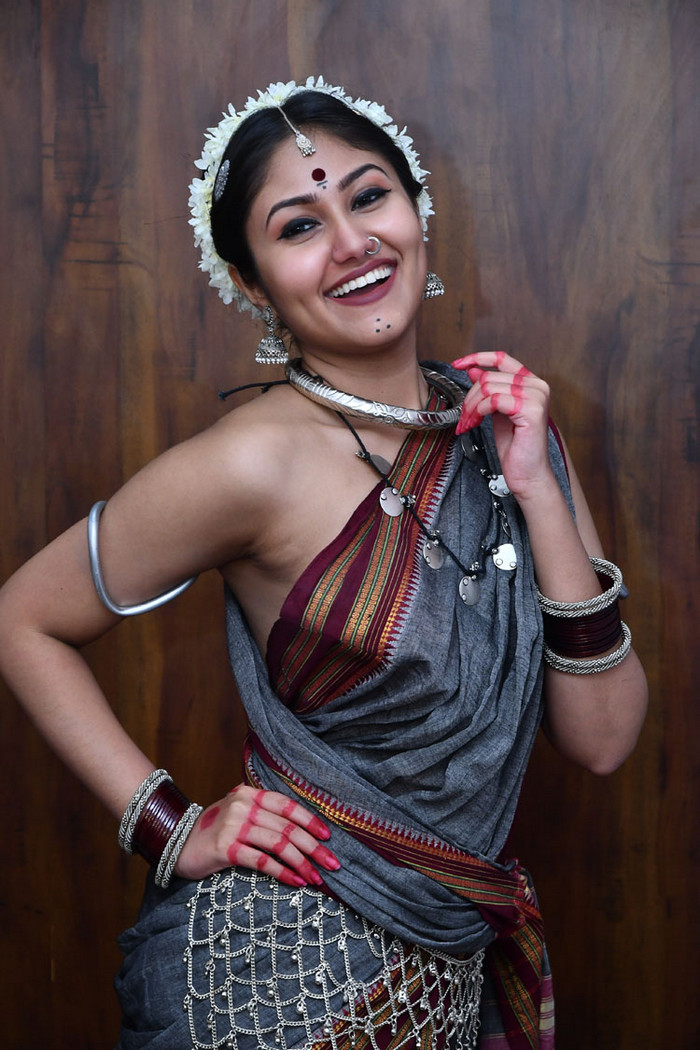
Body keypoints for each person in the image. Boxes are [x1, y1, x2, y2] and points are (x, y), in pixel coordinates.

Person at [0, 77, 647, 1050]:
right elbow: (25, 618)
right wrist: (168, 823)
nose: (352, 242)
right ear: (254, 284)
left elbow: (603, 739)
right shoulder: (250, 463)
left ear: (416, 215)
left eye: (369, 196)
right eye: (299, 226)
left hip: (442, 974)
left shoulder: (505, 428)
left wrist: (538, 489)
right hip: (274, 985)